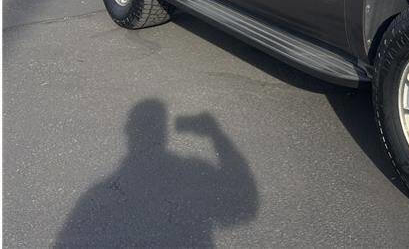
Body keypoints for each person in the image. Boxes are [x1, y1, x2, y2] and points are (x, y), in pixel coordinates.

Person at [55, 99, 258, 247]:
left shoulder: (95, 193)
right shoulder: (193, 169)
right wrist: (216, 134)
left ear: (127, 130)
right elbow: (244, 208)